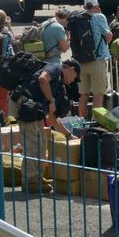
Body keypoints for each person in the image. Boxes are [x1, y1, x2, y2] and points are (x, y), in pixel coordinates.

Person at [8, 59, 81, 193]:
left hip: (35, 110)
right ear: (71, 70)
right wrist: (51, 100)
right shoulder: (55, 68)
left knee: (41, 143)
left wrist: (69, 135)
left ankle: (38, 178)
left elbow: (52, 118)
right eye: (74, 78)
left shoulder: (58, 84)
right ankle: (29, 181)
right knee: (32, 144)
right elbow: (43, 79)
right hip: (26, 106)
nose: (72, 82)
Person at [77, 0, 112, 117]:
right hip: (97, 60)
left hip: (80, 61)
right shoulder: (99, 17)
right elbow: (108, 37)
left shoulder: (77, 18)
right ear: (97, 6)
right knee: (98, 94)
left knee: (84, 95)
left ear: (84, 6)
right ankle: (96, 123)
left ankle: (81, 123)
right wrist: (101, 16)